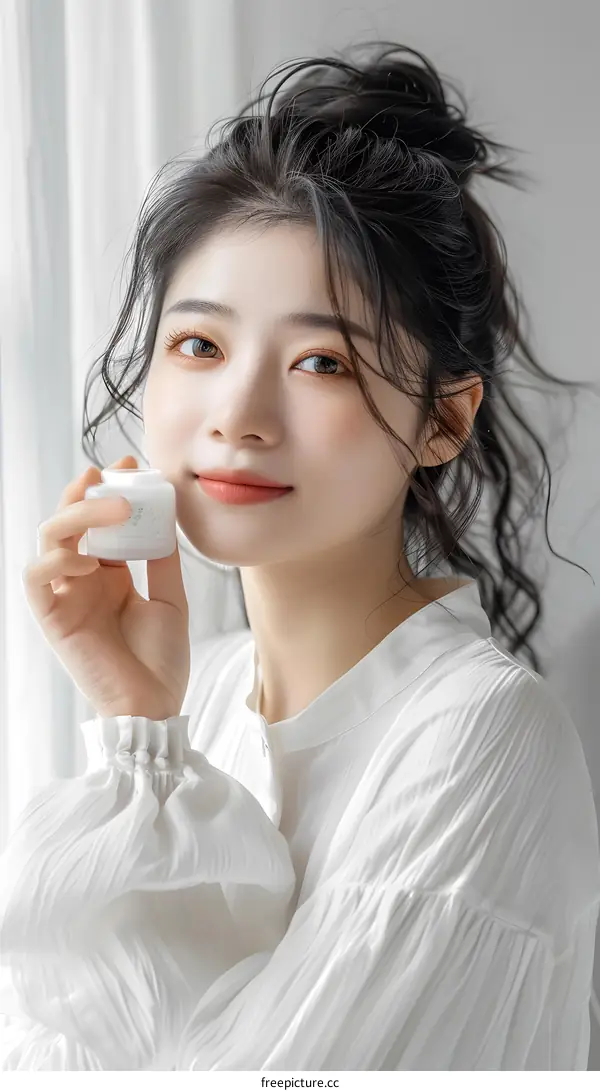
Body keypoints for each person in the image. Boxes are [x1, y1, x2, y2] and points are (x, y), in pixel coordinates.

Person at [2, 40, 599, 1070]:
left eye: (320, 361)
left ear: (443, 422)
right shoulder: (208, 698)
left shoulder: (483, 729)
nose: (238, 415)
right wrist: (140, 725)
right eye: (199, 345)